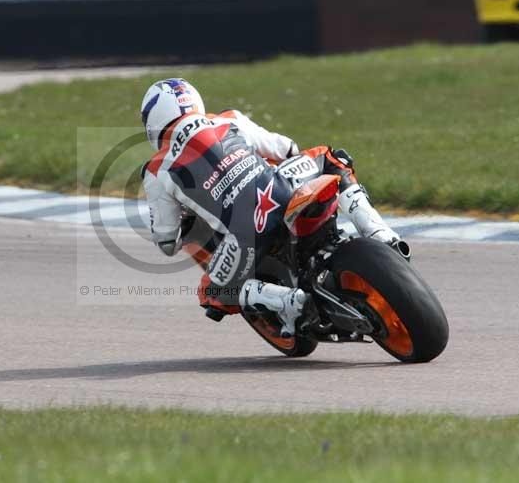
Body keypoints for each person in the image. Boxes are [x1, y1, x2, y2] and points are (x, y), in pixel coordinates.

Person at [140, 78, 401, 337]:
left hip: (245, 235)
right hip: (282, 191)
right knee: (332, 158)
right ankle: (381, 234)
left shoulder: (155, 169)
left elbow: (167, 242)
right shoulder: (228, 118)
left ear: (152, 122)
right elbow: (287, 148)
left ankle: (286, 300)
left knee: (211, 292)